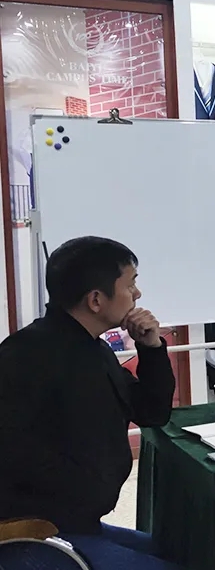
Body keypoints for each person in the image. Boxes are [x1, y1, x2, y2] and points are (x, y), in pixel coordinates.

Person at [0, 236, 179, 569]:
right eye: (130, 285)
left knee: (184, 549)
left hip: (79, 522)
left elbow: (151, 412)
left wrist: (151, 348)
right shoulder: (24, 357)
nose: (137, 294)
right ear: (96, 300)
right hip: (34, 531)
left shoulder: (93, 348)